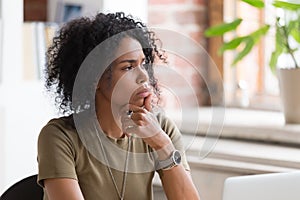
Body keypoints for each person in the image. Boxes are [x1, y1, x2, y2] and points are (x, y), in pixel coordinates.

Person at [37, 12, 200, 200]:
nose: (144, 76)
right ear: (94, 78)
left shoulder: (159, 128)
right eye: (128, 67)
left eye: (143, 64)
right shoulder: (60, 137)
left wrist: (161, 143)